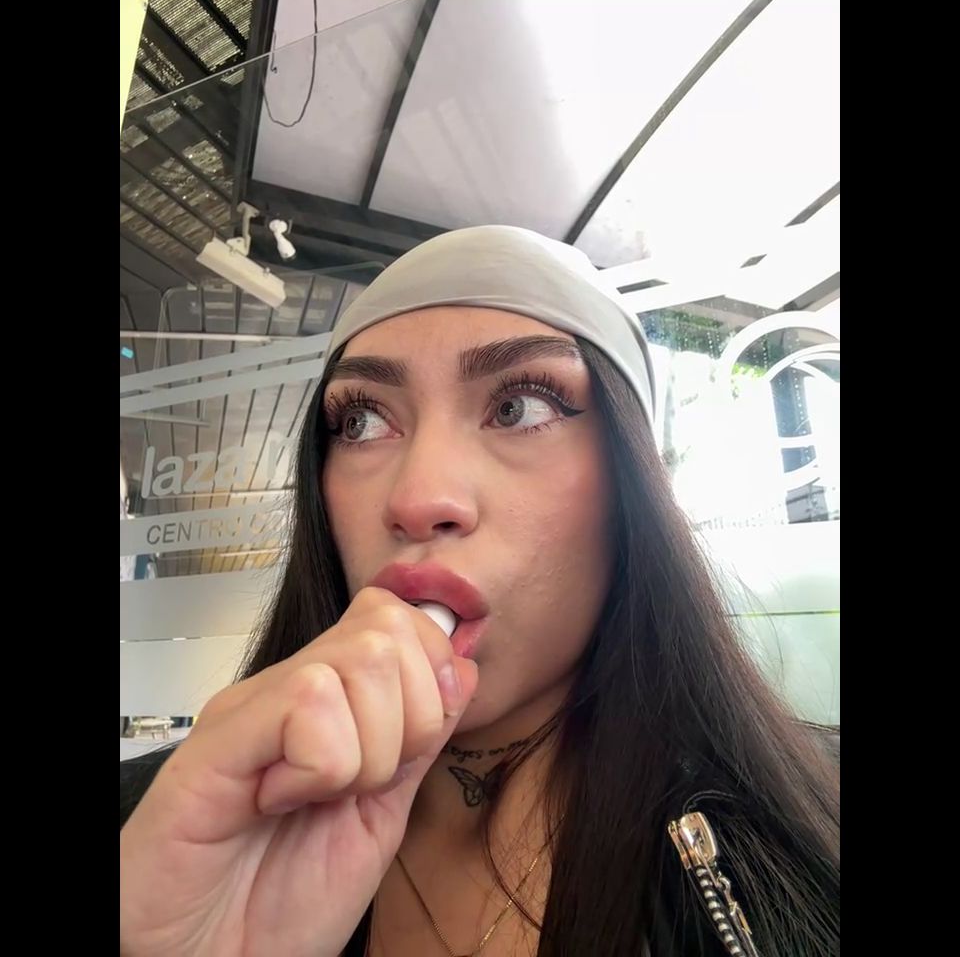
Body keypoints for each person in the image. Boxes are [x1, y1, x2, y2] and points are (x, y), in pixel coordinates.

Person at [120, 226, 840, 956]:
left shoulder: (810, 827)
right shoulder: (160, 838)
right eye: (361, 422)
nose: (418, 498)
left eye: (521, 406)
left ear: (632, 485)